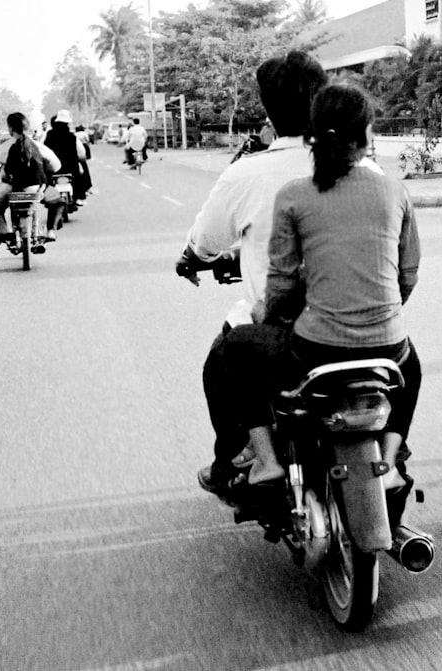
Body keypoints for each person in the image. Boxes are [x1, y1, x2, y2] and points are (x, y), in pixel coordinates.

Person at [222, 82, 421, 494]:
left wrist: (269, 314)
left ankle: (266, 460)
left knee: (238, 347)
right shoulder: (394, 189)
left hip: (317, 348)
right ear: (367, 135)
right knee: (411, 369)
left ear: (312, 137)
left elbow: (281, 278)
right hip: (388, 345)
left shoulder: (294, 195)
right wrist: (383, 310)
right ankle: (391, 462)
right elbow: (408, 273)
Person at [177, 50, 328, 494]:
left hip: (286, 330)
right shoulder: (364, 171)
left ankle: (241, 459)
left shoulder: (250, 174)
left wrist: (194, 257)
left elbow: (205, 243)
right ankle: (395, 461)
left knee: (222, 361)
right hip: (367, 322)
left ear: (267, 111)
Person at [0, 112, 64, 258]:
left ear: (10, 129)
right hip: (39, 188)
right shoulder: (37, 145)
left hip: (16, 187)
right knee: (58, 200)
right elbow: (56, 166)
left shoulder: (9, 146)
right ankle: (50, 231)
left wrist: (4, 173)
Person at [44, 109, 89, 203]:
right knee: (81, 168)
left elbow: (43, 150)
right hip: (71, 168)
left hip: (53, 169)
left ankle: (45, 196)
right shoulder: (72, 136)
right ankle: (81, 195)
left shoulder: (49, 135)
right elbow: (82, 154)